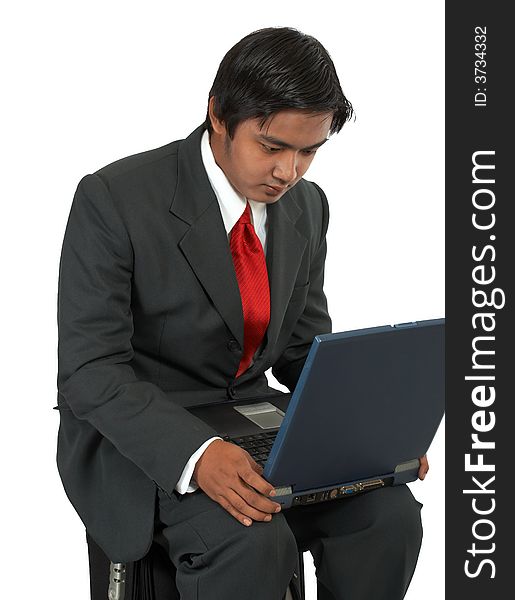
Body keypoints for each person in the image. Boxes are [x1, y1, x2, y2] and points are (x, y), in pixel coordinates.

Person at [56, 26, 428, 599]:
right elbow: (89, 371)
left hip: (253, 421)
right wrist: (197, 454)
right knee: (251, 539)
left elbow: (303, 352)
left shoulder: (307, 205)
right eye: (272, 146)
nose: (290, 172)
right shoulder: (114, 199)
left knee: (388, 518)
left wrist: (370, 432)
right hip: (146, 434)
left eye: (309, 151)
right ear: (217, 116)